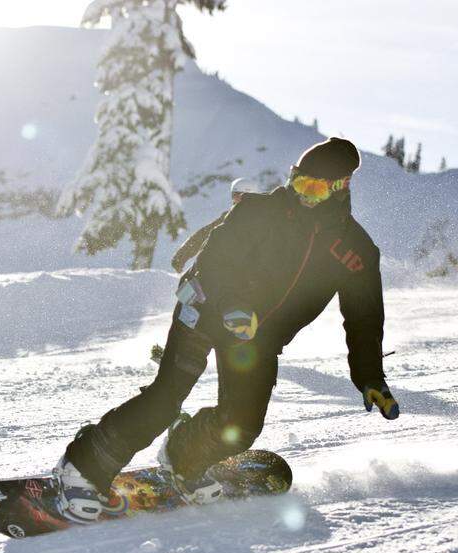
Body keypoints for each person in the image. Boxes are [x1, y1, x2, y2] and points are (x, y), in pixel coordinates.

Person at [53, 138, 400, 522]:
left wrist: (370, 377)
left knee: (242, 424)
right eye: (298, 182)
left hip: (258, 340)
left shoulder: (356, 250)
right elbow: (217, 260)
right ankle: (82, 466)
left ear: (341, 187)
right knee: (165, 397)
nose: (302, 194)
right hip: (206, 311)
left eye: (315, 188)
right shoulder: (258, 211)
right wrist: (235, 305)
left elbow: (365, 316)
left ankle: (185, 456)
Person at [170, 177, 262, 273]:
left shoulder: (263, 217)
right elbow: (205, 234)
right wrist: (182, 255)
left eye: (239, 195)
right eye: (233, 195)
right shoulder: (230, 216)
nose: (235, 200)